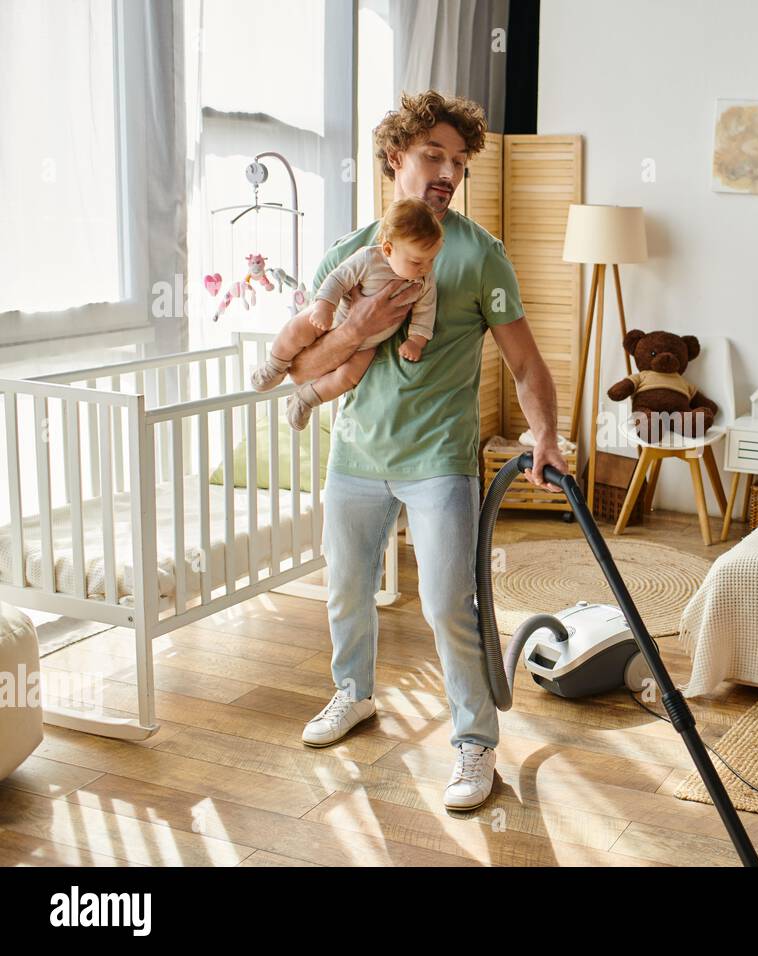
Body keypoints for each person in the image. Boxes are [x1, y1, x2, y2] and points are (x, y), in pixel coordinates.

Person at [289, 90, 568, 811]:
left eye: (458, 160)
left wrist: (545, 434)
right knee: (347, 591)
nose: (448, 171)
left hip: (440, 459)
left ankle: (474, 741)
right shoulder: (351, 254)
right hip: (354, 455)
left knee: (449, 602)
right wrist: (357, 329)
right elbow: (304, 369)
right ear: (395, 159)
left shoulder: (480, 256)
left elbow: (526, 363)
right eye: (432, 156)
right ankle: (352, 694)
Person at [249, 198, 443, 429]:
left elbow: (425, 311)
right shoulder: (368, 259)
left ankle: (305, 399)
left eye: (432, 259)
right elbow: (338, 279)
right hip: (335, 316)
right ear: (389, 249)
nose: (427, 268)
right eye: (417, 261)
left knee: (349, 377)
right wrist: (325, 306)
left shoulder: (424, 280)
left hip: (369, 344)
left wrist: (415, 341)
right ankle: (275, 365)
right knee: (297, 328)